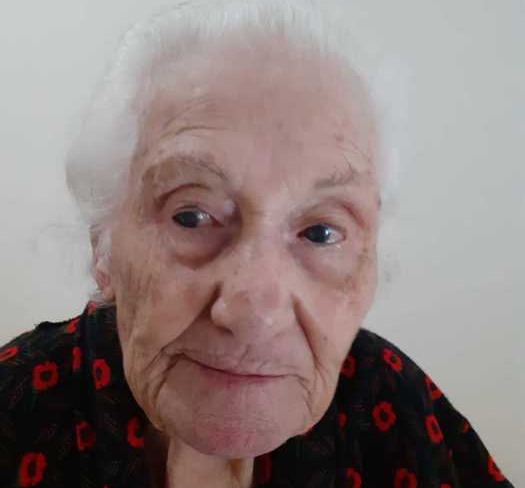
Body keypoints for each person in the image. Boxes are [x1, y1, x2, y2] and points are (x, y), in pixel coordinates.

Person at [0, 1, 515, 487]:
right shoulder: (15, 408)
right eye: (192, 216)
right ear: (104, 246)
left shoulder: (394, 406)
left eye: (320, 232)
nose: (255, 313)